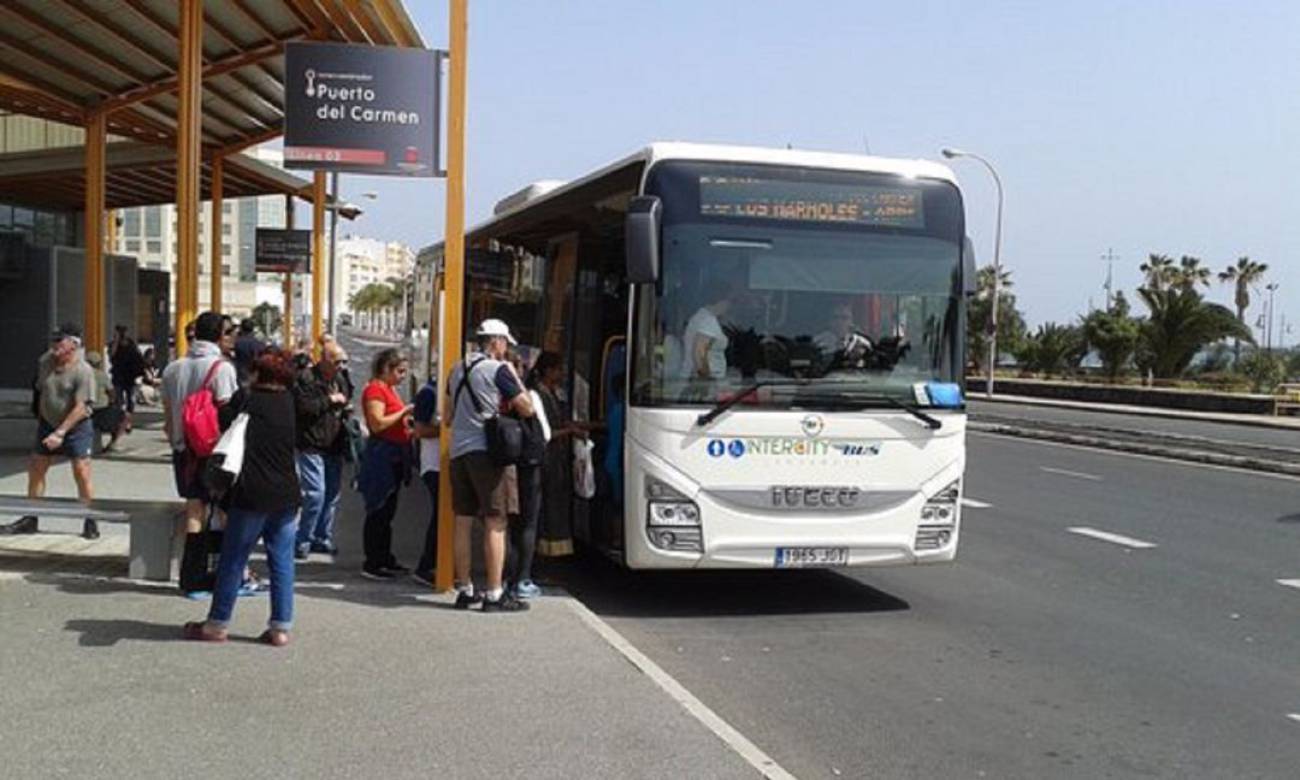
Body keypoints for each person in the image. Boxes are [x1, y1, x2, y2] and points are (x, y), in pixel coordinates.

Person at [183, 348, 300, 646]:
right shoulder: (291, 401)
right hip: (286, 492)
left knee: (234, 558)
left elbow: (222, 425)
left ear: (259, 373)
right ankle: (280, 628)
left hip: (251, 493)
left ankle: (217, 624)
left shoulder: (246, 399)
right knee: (282, 560)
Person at [447, 319, 536, 612]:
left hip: (458, 453)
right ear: (496, 341)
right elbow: (527, 407)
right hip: (488, 454)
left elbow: (447, 415)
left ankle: (465, 589)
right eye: (505, 343)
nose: (506, 348)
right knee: (496, 521)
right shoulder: (497, 370)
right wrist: (515, 377)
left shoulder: (456, 369)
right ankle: (495, 593)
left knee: (462, 520)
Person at [161, 311, 238, 596]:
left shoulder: (173, 368)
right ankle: (226, 575)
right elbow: (228, 413)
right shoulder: (222, 369)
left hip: (184, 451)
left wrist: (178, 440)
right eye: (229, 332)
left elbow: (168, 416)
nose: (232, 337)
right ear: (218, 335)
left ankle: (191, 577)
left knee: (194, 510)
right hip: (215, 450)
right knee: (226, 512)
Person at [0, 324, 98, 539]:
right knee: (36, 467)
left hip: (76, 427)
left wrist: (61, 432)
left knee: (81, 470)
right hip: (48, 423)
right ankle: (31, 516)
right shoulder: (45, 361)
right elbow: (39, 389)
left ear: (73, 345)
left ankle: (90, 519)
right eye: (53, 340)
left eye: (59, 340)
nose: (55, 345)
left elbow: (81, 407)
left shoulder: (83, 371)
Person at [356, 348, 414, 580]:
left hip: (395, 453)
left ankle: (385, 557)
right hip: (382, 455)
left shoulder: (389, 389)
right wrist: (404, 412)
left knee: (388, 510)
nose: (403, 377)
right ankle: (373, 561)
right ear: (386, 369)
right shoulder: (375, 390)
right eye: (399, 371)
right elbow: (377, 423)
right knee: (378, 509)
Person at [292, 341, 352, 560]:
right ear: (324, 360)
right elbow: (303, 408)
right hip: (311, 443)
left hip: (334, 443)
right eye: (337, 362)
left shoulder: (340, 378)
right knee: (315, 494)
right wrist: (330, 400)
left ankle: (321, 537)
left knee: (331, 495)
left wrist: (345, 406)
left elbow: (347, 396)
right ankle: (302, 539)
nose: (341, 366)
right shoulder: (306, 378)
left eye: (344, 361)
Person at [411, 367, 441, 587]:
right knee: (440, 516)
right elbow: (420, 430)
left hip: (441, 464)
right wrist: (448, 430)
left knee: (443, 516)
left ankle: (434, 563)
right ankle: (427, 566)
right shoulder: (429, 394)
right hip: (433, 465)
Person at [682, 278, 744, 380]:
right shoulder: (708, 321)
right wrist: (707, 380)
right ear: (722, 300)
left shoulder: (701, 317)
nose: (730, 306)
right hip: (705, 383)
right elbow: (699, 354)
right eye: (731, 301)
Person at [85, 351, 126, 453]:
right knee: (124, 418)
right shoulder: (101, 375)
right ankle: (113, 443)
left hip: (85, 410)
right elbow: (112, 392)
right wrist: (113, 402)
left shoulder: (81, 375)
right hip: (102, 410)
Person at [108, 325, 144, 435]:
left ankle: (127, 422)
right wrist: (116, 342)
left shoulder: (131, 344)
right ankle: (120, 422)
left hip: (129, 377)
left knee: (130, 401)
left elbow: (138, 357)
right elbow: (111, 356)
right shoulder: (113, 344)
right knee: (119, 401)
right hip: (118, 376)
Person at [233, 318, 264, 386]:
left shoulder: (236, 342)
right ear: (252, 329)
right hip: (253, 376)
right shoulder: (259, 343)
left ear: (241, 328)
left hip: (239, 374)